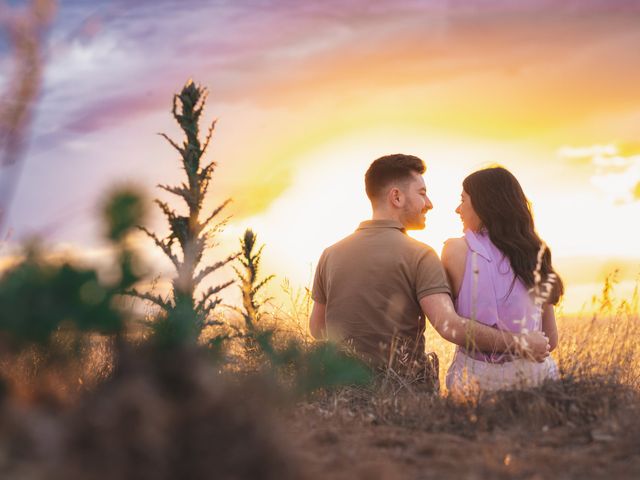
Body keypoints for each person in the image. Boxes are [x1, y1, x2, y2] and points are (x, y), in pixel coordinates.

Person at [309, 154, 550, 389]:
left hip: (339, 392)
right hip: (403, 393)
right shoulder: (421, 254)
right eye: (422, 193)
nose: (429, 203)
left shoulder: (330, 254)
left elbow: (317, 329)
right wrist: (521, 343)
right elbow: (448, 324)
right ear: (396, 197)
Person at [442, 166, 563, 393]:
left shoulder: (455, 250)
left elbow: (452, 325)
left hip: (476, 379)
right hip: (536, 377)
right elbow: (550, 340)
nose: (458, 209)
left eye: (463, 200)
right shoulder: (533, 252)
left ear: (484, 204)